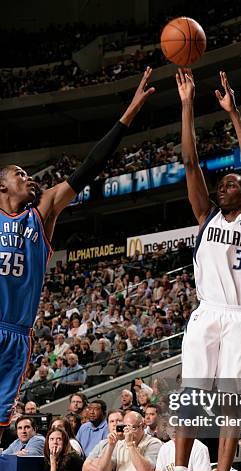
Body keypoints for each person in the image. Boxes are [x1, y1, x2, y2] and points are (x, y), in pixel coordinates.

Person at [0, 67, 155, 428]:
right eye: (20, 175)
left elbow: (90, 166)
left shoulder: (41, 214)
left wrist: (129, 112)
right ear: (2, 188)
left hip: (17, 334)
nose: (29, 178)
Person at [164, 69, 241, 471]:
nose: (225, 185)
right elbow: (189, 163)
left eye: (232, 183)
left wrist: (233, 114)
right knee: (190, 398)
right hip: (206, 313)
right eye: (222, 182)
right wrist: (187, 104)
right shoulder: (206, 215)